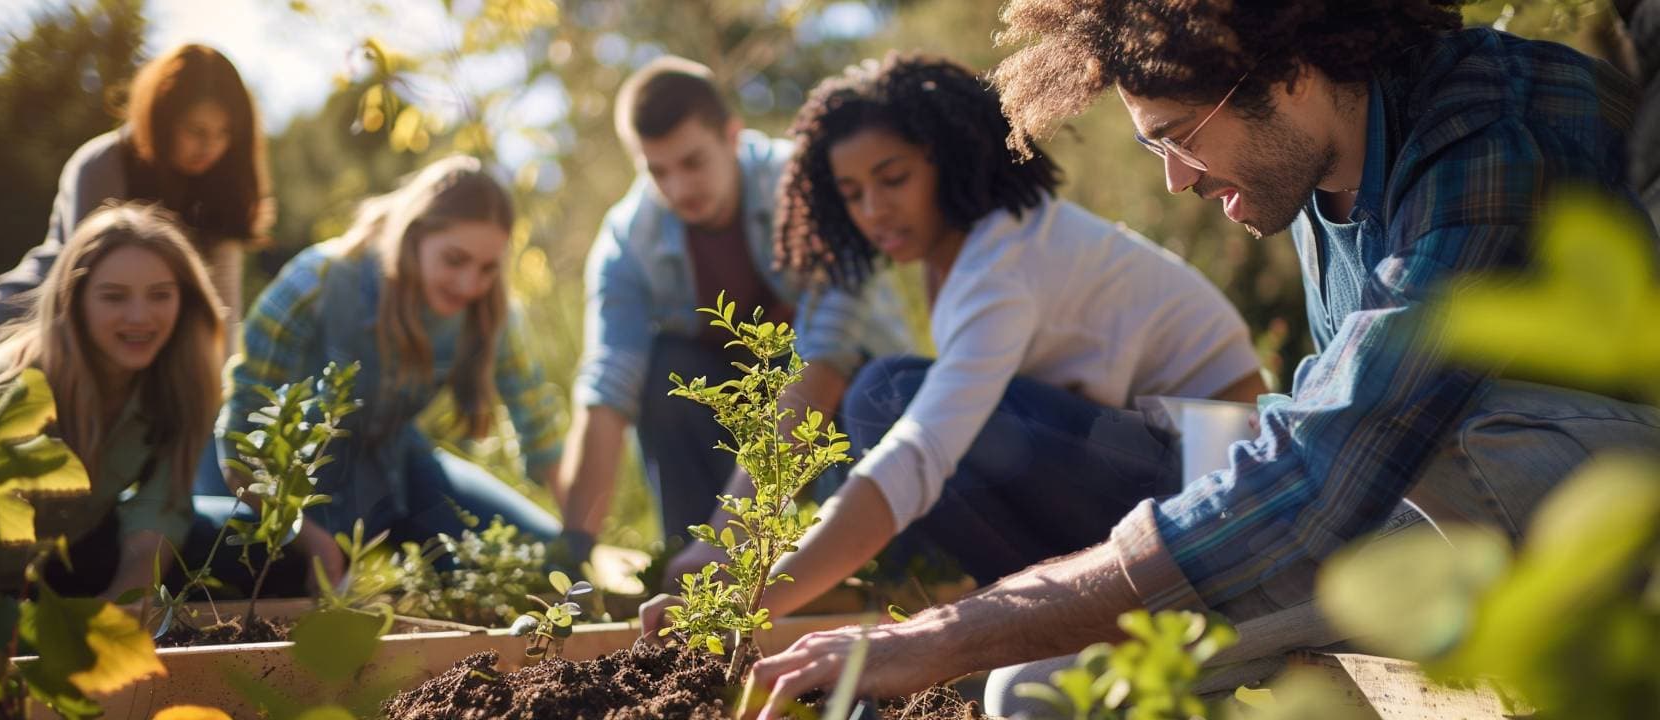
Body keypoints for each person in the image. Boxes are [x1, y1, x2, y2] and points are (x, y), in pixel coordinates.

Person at [738, 3, 1660, 718]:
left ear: (1293, 73)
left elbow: (1331, 462)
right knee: (1034, 691)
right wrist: (985, 637)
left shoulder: (1485, 135)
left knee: (1466, 428)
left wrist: (947, 633)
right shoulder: (1310, 169)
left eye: (1178, 133)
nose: (1174, 177)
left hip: (1599, 490)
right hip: (1435, 508)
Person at [648, 52, 1266, 622]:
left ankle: (1055, 616)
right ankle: (1021, 606)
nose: (873, 210)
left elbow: (921, 452)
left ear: (948, 156)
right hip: (1154, 461)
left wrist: (746, 603)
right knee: (894, 409)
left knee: (885, 397)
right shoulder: (959, 256)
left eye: (893, 178)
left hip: (1217, 486)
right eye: (853, 193)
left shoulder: (1002, 259)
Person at [558, 56, 909, 564]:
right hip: (739, 418)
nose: (679, 188)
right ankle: (692, 571)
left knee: (874, 392)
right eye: (657, 171)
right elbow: (608, 390)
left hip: (848, 400)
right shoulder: (628, 241)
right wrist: (572, 553)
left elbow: (826, 361)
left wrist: (734, 535)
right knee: (664, 375)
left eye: (693, 162)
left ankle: (877, 564)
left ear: (732, 136)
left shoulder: (818, 187)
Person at [200, 155, 563, 586]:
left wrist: (580, 538)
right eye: (454, 260)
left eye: (487, 269)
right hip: (282, 488)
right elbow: (238, 443)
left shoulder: (489, 311)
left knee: (548, 563)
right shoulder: (314, 285)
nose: (470, 285)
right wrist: (307, 538)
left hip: (395, 470)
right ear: (414, 236)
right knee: (233, 570)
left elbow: (538, 429)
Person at [0, 203, 225, 600]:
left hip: (71, 560)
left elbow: (159, 512)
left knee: (241, 544)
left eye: (160, 295)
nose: (140, 317)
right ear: (73, 302)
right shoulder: (5, 392)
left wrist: (116, 617)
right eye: (114, 297)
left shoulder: (182, 382)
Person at [0, 43, 271, 355]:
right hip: (31, 334)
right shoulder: (102, 165)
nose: (210, 146)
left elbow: (221, 311)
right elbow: (87, 294)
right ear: (162, 119)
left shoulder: (221, 188)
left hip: (135, 344)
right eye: (196, 130)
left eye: (224, 133)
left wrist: (219, 390)